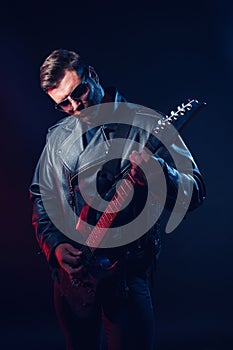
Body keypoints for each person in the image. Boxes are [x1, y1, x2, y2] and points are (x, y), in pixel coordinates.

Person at [29, 49, 206, 350]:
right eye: (63, 104)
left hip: (124, 277)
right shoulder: (58, 137)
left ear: (93, 76)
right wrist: (56, 245)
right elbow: (42, 200)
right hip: (72, 281)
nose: (75, 107)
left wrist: (160, 171)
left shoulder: (148, 124)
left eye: (79, 92)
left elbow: (196, 191)